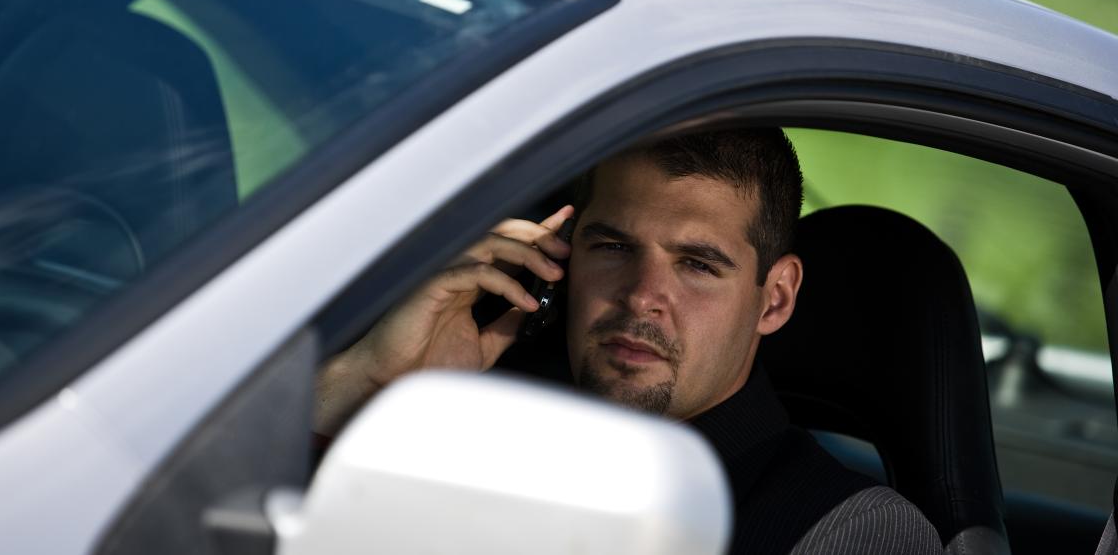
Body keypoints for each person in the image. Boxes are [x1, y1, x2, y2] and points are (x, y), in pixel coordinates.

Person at [313, 129, 942, 555]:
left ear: (773, 299)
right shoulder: (461, 440)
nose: (642, 295)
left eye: (697, 264)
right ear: (559, 256)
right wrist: (366, 389)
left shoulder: (847, 532)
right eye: (613, 248)